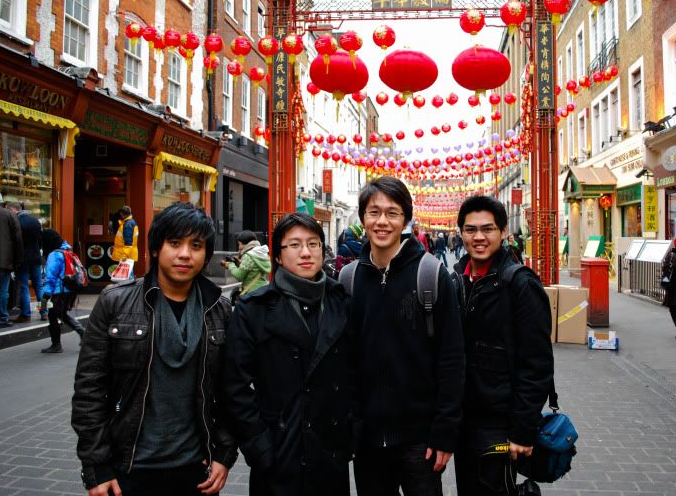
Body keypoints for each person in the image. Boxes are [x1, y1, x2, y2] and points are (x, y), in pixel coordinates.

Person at [72, 202, 237, 496]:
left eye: (196, 245)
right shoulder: (115, 303)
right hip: (129, 466)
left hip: (196, 468)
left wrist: (224, 454)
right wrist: (96, 467)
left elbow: (229, 391)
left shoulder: (219, 309)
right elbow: (90, 390)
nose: (185, 254)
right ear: (156, 248)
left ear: (206, 255)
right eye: (174, 243)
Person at [222, 213, 353, 496]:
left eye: (313, 244)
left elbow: (356, 372)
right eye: (294, 245)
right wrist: (259, 446)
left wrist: (350, 433)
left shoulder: (342, 302)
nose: (305, 252)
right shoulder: (253, 310)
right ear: (279, 256)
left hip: (330, 452)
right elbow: (235, 386)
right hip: (279, 452)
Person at [348, 176, 464, 496]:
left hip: (420, 442)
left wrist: (444, 431)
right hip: (368, 442)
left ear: (405, 220)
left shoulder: (431, 273)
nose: (382, 221)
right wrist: (351, 426)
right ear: (363, 219)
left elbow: (452, 358)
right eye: (374, 212)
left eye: (392, 213)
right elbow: (345, 360)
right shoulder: (350, 279)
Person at [450, 196, 554, 496]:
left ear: (504, 232)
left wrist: (523, 430)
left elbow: (537, 364)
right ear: (461, 233)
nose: (479, 237)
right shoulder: (457, 279)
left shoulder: (520, 284)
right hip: (465, 418)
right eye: (470, 230)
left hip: (500, 423)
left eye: (488, 229)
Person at [38, 229, 85, 353]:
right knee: (60, 314)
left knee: (53, 315)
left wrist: (46, 295)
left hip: (59, 290)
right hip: (70, 289)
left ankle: (57, 345)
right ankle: (80, 333)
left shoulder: (54, 255)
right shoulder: (67, 251)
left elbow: (51, 277)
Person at [6, 202, 45, 323]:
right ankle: (44, 312)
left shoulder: (16, 222)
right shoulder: (35, 221)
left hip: (22, 259)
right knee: (38, 286)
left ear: (13, 210)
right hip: (36, 257)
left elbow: (15, 242)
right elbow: (40, 240)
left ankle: (26, 314)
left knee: (24, 287)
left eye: (8, 211)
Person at [0, 189, 22, 329]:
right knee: (3, 290)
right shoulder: (9, 215)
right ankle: (1, 318)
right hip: (4, 260)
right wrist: (18, 260)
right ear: (1, 202)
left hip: (3, 260)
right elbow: (18, 239)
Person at [221, 230, 271, 296]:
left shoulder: (249, 256)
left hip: (252, 293)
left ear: (245, 244)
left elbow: (239, 275)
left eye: (239, 244)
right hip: (262, 290)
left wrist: (230, 265)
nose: (239, 247)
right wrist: (239, 263)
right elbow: (253, 269)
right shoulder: (261, 253)